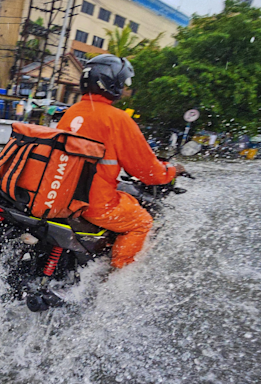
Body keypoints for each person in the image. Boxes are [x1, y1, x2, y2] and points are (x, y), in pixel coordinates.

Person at [56, 54, 186, 269]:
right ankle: (116, 280)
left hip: (60, 194)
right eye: (123, 83)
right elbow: (148, 172)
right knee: (142, 222)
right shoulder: (118, 119)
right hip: (92, 202)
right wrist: (171, 171)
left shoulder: (71, 112)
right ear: (112, 84)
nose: (125, 89)